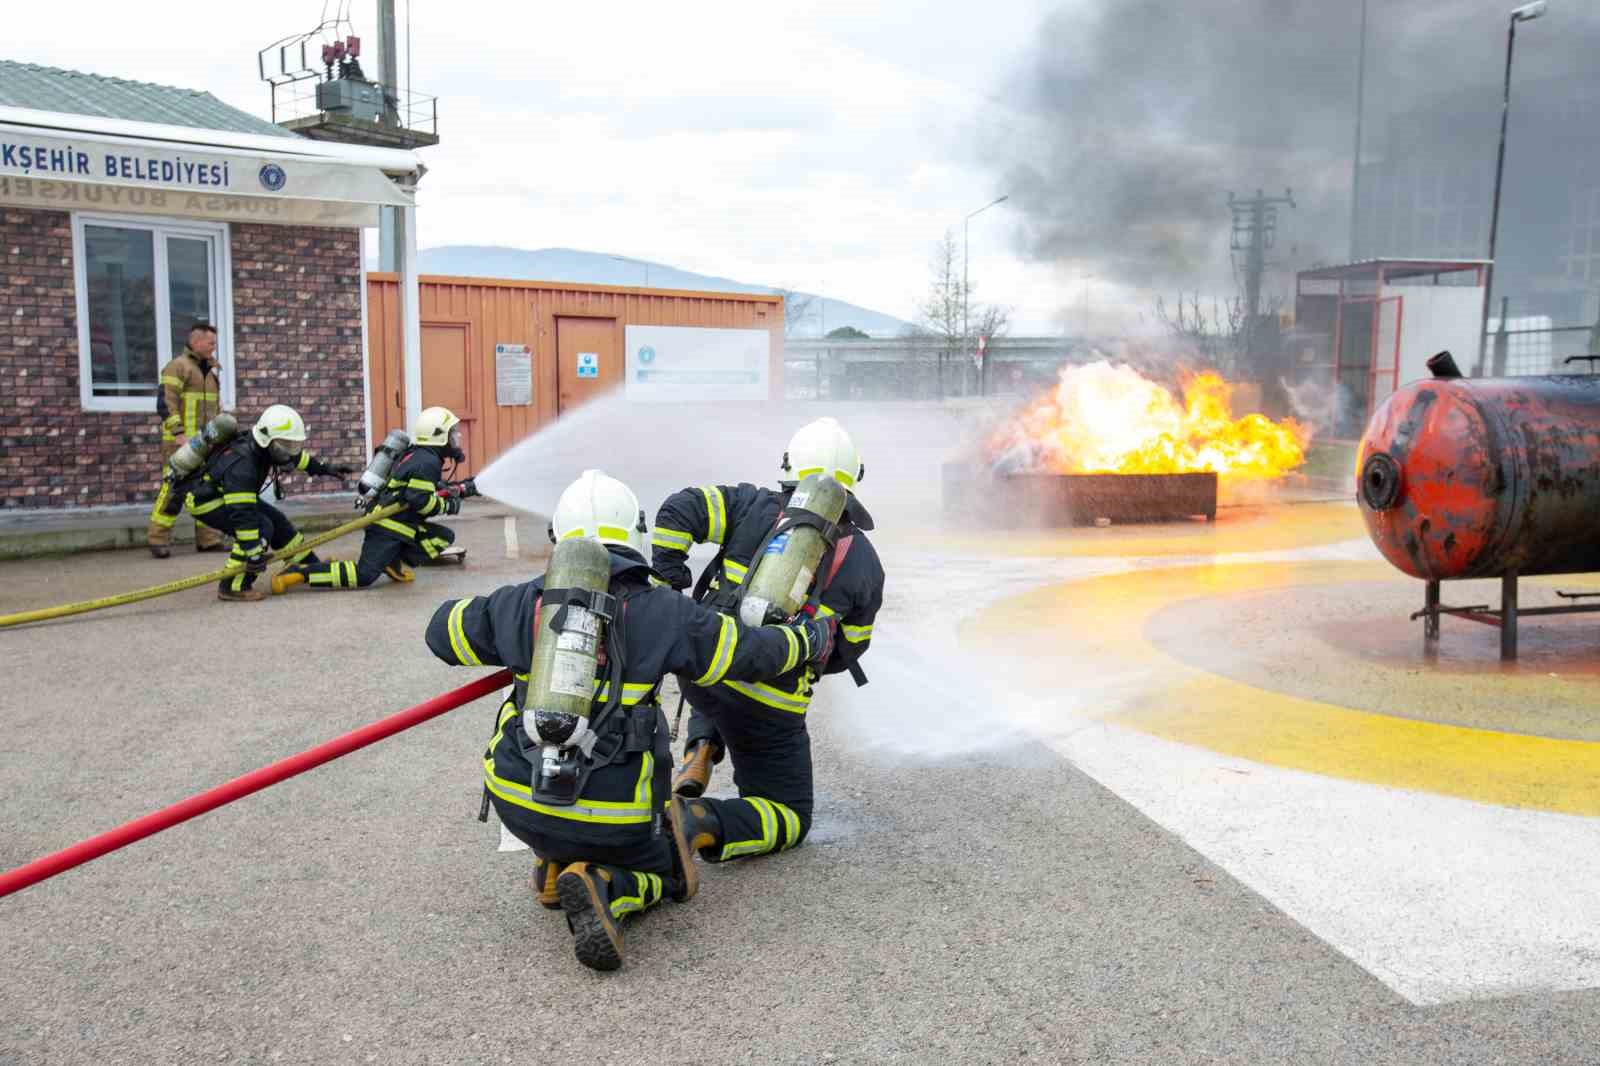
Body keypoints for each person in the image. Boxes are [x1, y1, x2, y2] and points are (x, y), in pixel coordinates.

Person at [424, 469, 836, 971]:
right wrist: (809, 640)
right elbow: (751, 654)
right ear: (636, 533)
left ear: (559, 536)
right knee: (672, 872)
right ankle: (606, 884)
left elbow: (441, 632)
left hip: (519, 802)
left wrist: (517, 620)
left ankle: (553, 862)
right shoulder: (665, 612)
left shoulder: (519, 603)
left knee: (550, 801)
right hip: (614, 821)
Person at [650, 416, 884, 864]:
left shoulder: (750, 505)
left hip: (704, 673)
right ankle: (696, 818)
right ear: (855, 477)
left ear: (789, 466)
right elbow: (850, 647)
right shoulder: (865, 562)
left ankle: (701, 748)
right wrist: (803, 654)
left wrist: (669, 583)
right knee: (790, 813)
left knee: (721, 680)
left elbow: (678, 509)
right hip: (770, 705)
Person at [274, 406, 476, 593]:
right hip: (387, 527)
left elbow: (425, 489)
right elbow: (421, 501)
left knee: (443, 537)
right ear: (438, 436)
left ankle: (391, 561)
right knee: (364, 576)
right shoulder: (428, 462)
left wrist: (458, 490)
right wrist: (448, 505)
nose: (456, 437)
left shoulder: (421, 455)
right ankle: (300, 573)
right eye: (451, 433)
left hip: (400, 526)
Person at [185, 405, 353, 602]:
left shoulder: (265, 446)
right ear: (268, 440)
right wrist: (254, 552)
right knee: (260, 528)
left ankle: (308, 564)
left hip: (232, 494)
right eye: (286, 445)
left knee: (278, 521)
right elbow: (243, 515)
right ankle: (233, 585)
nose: (289, 452)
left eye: (292, 444)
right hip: (207, 501)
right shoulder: (243, 465)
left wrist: (326, 469)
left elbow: (295, 456)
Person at [148, 322, 225, 557]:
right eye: (211, 343)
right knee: (174, 490)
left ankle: (209, 540)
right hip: (180, 443)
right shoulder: (177, 367)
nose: (214, 347)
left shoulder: (210, 373)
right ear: (197, 342)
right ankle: (158, 540)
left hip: (206, 444)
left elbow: (214, 410)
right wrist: (179, 434)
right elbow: (166, 403)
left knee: (208, 489)